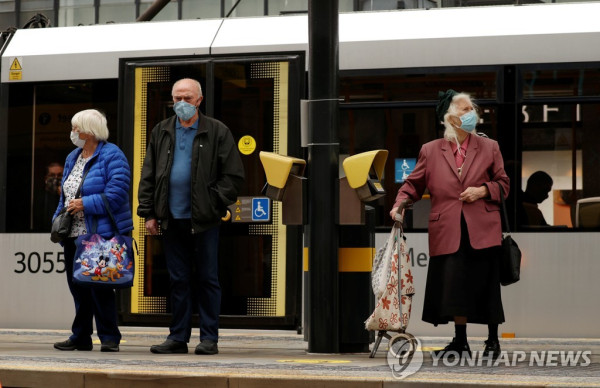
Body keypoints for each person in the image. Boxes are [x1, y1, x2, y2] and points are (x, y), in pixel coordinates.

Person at [389, 90, 509, 360]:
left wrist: (482, 191)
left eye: (471, 109)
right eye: (464, 110)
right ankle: (461, 341)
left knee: (487, 285)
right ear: (450, 118)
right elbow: (413, 185)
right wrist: (400, 203)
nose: (471, 114)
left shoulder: (490, 147)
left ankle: (493, 340)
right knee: (455, 287)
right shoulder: (430, 150)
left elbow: (504, 185)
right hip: (448, 229)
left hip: (483, 227)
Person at [138, 78, 244, 355]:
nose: (181, 104)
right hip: (171, 219)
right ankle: (178, 337)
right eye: (176, 98)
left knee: (208, 279)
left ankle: (209, 338)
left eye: (187, 98)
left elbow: (233, 177)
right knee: (178, 280)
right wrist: (148, 213)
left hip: (205, 220)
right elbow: (148, 174)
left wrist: (211, 203)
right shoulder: (161, 131)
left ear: (199, 100)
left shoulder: (217, 131)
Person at [52, 109, 133, 352]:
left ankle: (109, 338)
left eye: (77, 128)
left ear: (90, 131)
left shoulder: (112, 155)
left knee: (101, 286)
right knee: (78, 287)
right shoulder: (72, 157)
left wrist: (85, 204)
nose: (73, 132)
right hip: (73, 234)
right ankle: (81, 336)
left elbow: (117, 194)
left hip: (100, 234)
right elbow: (65, 194)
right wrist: (57, 220)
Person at [34, 162, 63, 231]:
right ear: (46, 178)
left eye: (59, 175)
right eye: (52, 175)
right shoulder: (39, 196)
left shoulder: (68, 196)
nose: (56, 178)